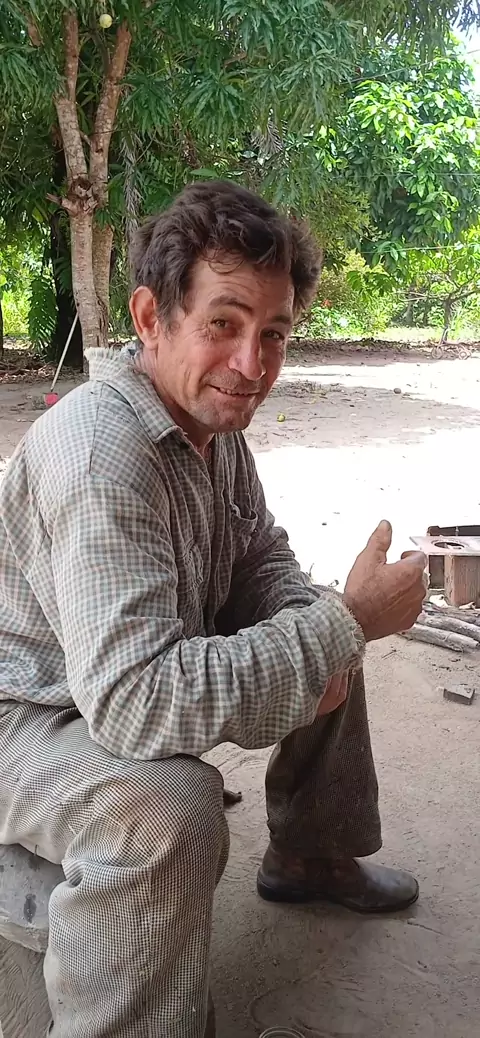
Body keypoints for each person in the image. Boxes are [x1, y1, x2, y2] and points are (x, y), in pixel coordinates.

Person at [0, 181, 427, 1038]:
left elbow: (258, 553)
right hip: (27, 710)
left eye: (273, 334)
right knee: (171, 809)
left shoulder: (207, 422)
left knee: (318, 617)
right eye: (224, 324)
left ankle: (309, 853)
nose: (251, 364)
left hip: (104, 679)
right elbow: (134, 701)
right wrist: (339, 627)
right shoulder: (100, 456)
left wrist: (323, 624)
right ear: (151, 318)